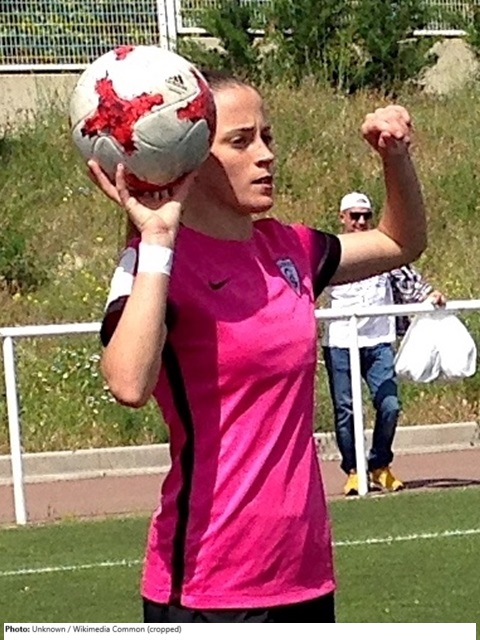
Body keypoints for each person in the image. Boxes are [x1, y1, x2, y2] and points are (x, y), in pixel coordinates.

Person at [89, 70, 427, 623]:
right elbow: (128, 383)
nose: (266, 155)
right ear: (190, 158)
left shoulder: (290, 248)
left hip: (304, 578)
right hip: (208, 589)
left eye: (266, 136)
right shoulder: (155, 263)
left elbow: (399, 241)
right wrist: (157, 240)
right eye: (241, 141)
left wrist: (395, 158)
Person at [322, 192, 445, 498]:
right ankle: (354, 470)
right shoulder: (330, 253)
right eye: (354, 216)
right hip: (340, 344)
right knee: (346, 409)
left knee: (389, 405)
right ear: (342, 218)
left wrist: (430, 296)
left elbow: (411, 282)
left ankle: (379, 464)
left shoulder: (381, 250)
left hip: (378, 342)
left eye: (366, 216)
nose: (361, 222)